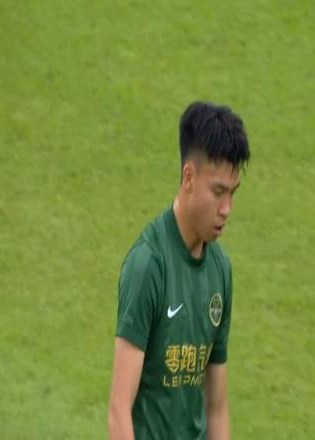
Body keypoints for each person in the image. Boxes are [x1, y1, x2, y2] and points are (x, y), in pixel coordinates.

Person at [108, 101, 251, 440]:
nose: (227, 209)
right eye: (218, 192)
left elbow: (217, 408)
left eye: (233, 194)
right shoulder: (148, 265)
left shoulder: (220, 270)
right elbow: (118, 411)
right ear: (189, 177)